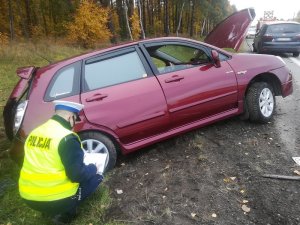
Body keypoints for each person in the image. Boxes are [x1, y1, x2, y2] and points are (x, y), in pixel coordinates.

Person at [18, 100, 103, 224]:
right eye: (75, 119)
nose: (74, 124)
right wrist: (93, 168)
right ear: (70, 117)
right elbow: (77, 175)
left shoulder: (35, 132)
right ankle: (64, 215)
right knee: (97, 177)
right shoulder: (67, 137)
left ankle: (46, 209)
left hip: (28, 197)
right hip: (56, 199)